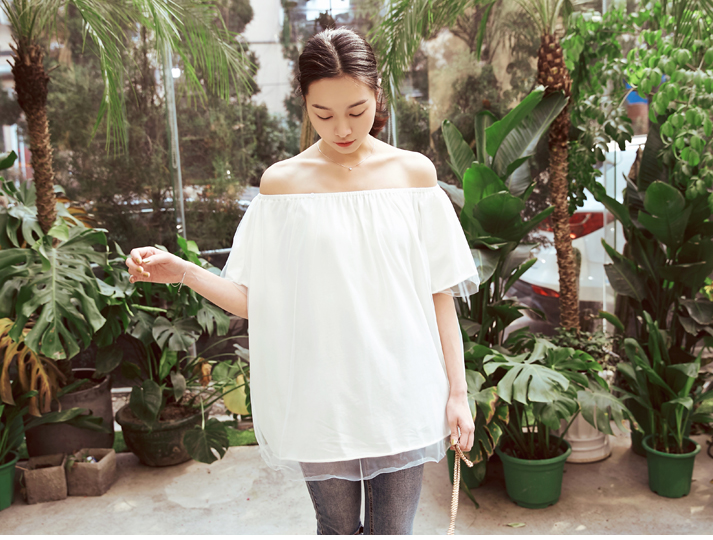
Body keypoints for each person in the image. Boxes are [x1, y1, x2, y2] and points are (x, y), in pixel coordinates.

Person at [126, 27, 479, 535]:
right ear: (305, 105)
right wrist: (183, 271)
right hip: (320, 397)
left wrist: (458, 394)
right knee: (335, 528)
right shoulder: (282, 185)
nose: (342, 128)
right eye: (323, 114)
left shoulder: (414, 176)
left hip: (401, 389)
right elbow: (253, 301)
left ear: (377, 94)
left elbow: (439, 294)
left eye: (356, 110)